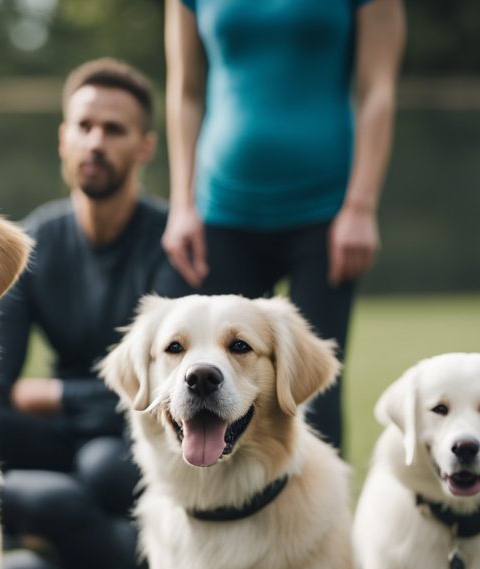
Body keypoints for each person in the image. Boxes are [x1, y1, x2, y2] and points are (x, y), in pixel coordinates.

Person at [0, 57, 191, 569]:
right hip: (67, 431)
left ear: (146, 146)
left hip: (139, 432)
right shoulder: (33, 242)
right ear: (63, 138)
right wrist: (75, 402)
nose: (96, 141)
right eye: (84, 125)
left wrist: (56, 396)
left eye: (115, 129)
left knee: (103, 466)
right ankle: (84, 564)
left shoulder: (172, 242)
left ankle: (128, 568)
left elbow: (169, 385)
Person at [162, 0, 406, 451]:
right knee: (202, 382)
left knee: (314, 390)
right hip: (220, 212)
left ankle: (324, 519)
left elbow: (377, 89)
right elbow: (186, 91)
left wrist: (360, 206)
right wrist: (182, 203)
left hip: (326, 213)